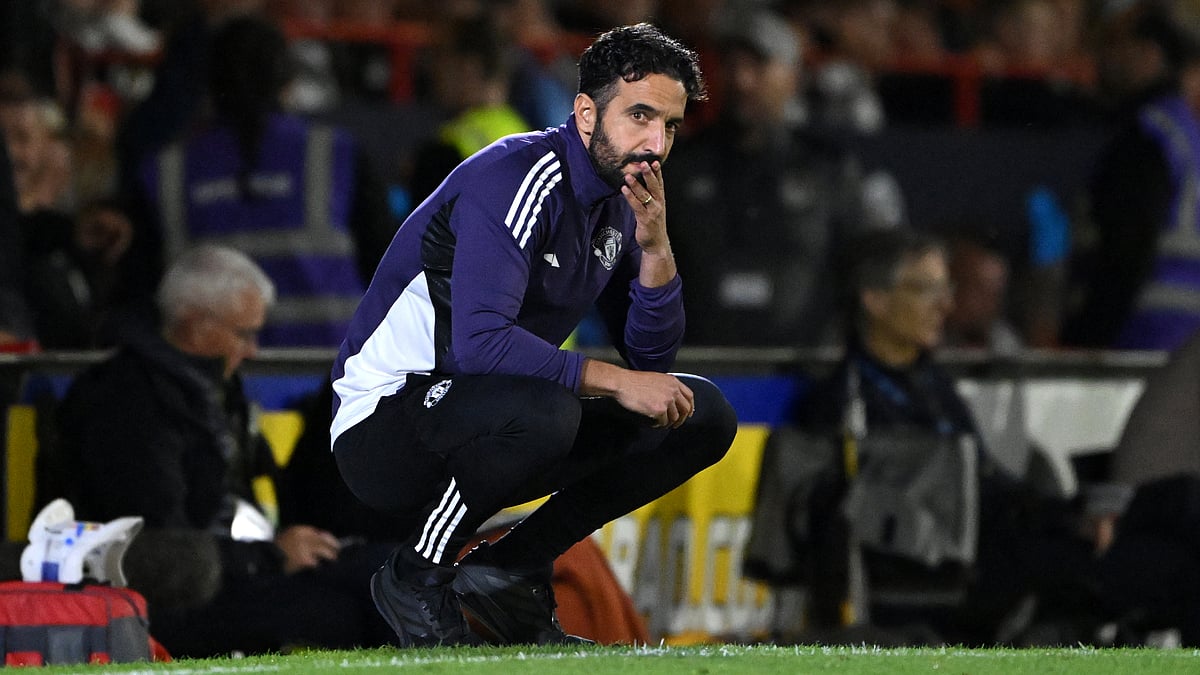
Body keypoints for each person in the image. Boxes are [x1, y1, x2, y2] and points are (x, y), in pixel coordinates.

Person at [330, 23, 738, 647]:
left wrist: (656, 250)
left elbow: (650, 359)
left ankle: (510, 573)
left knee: (699, 414)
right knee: (548, 412)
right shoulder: (520, 177)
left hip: (493, 414)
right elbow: (481, 344)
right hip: (383, 424)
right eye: (640, 116)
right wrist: (614, 381)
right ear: (585, 114)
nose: (656, 144)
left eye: (671, 126)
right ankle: (415, 576)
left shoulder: (621, 198)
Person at [44, 245, 396, 657]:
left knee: (381, 571)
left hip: (233, 568)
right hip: (167, 599)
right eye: (244, 334)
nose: (253, 350)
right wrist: (268, 556)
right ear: (194, 326)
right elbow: (160, 548)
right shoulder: (127, 401)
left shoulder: (209, 389)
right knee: (340, 611)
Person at [745, 228, 1092, 646]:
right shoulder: (842, 402)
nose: (945, 305)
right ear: (875, 300)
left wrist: (1073, 513)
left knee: (1091, 543)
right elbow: (847, 522)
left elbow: (988, 482)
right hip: (916, 584)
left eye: (947, 289)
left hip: (974, 561)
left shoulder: (936, 388)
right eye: (927, 290)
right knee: (1082, 562)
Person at [132, 13, 395, 347]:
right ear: (288, 82)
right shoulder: (337, 155)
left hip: (210, 370)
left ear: (209, 83)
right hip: (328, 366)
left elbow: (139, 291)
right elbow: (390, 266)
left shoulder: (165, 170)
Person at [667, 6, 903, 347]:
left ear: (793, 76)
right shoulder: (676, 168)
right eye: (731, 65)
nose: (742, 81)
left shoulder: (829, 173)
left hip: (801, 368)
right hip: (696, 367)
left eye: (758, 66)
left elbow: (866, 274)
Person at [1062, 4, 1200, 350]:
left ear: (1148, 54)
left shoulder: (1147, 136)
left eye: (1116, 45)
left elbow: (1128, 249)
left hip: (1142, 334)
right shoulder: (1187, 134)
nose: (1105, 58)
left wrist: (1090, 337)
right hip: (1188, 341)